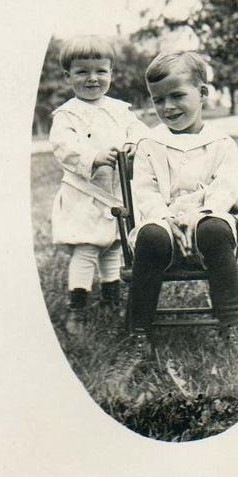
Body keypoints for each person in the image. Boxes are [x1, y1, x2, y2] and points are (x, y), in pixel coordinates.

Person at [116, 51, 238, 379]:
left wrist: (202, 214)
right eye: (158, 100)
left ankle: (231, 324)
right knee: (149, 237)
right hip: (163, 226)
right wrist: (164, 218)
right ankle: (139, 331)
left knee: (216, 230)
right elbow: (144, 190)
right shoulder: (151, 143)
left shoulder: (221, 144)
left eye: (178, 96)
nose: (168, 107)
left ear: (203, 93)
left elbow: (226, 188)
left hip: (206, 223)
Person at [49, 35, 147, 332]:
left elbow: (140, 132)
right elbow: (63, 146)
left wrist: (134, 144)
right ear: (68, 76)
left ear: (111, 73)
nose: (93, 78)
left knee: (114, 245)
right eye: (82, 72)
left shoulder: (120, 109)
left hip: (116, 192)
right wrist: (93, 157)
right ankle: (77, 307)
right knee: (88, 247)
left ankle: (111, 298)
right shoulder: (67, 114)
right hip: (85, 192)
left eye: (100, 71)